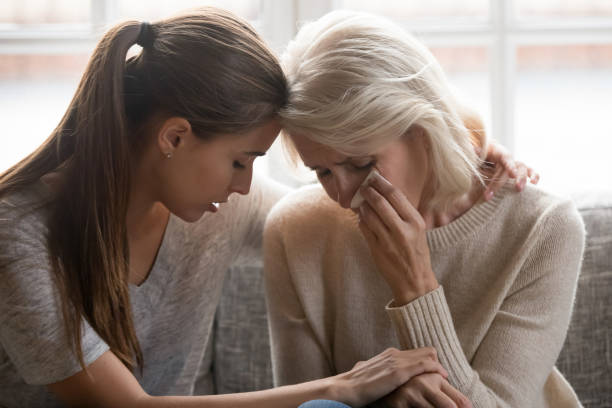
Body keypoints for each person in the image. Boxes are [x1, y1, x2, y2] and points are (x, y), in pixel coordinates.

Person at [0, 7, 528, 408]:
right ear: (175, 137)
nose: (247, 184)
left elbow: (323, 215)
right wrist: (343, 385)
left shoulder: (219, 206)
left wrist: (461, 146)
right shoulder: (19, 232)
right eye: (241, 160)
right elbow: (129, 406)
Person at [264, 10, 584, 408]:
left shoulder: (544, 230)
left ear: (422, 127)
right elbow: (312, 407)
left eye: (361, 164)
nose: (345, 198)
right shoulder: (295, 231)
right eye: (322, 171)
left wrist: (416, 289)